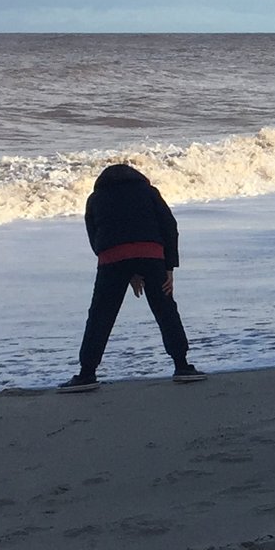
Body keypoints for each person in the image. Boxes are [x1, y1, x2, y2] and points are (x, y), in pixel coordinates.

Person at [60, 163, 204, 389]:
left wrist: (122, 265)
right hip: (151, 253)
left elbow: (94, 236)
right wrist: (169, 267)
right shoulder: (149, 192)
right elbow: (169, 226)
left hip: (112, 257)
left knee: (100, 315)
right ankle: (182, 365)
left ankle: (86, 373)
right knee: (165, 309)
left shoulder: (95, 198)